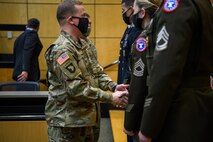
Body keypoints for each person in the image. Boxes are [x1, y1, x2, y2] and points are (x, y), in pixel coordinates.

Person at [44, 0, 129, 141]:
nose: (87, 20)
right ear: (71, 20)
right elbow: (76, 88)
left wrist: (113, 86)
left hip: (89, 119)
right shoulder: (61, 50)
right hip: (68, 124)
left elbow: (97, 72)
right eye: (83, 16)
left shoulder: (86, 44)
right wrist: (110, 98)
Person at [138, 0, 213, 142]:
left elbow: (165, 71)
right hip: (202, 103)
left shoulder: (178, 4)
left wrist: (148, 126)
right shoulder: (204, 4)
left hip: (180, 110)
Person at [123, 0, 158, 142]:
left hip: (147, 113)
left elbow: (138, 85)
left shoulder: (143, 40)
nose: (132, 16)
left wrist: (129, 123)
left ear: (142, 13)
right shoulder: (166, 35)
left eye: (135, 11)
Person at [118, 0, 142, 84]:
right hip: (124, 78)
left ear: (131, 10)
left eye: (123, 10)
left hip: (131, 81)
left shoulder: (138, 31)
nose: (122, 14)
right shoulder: (129, 29)